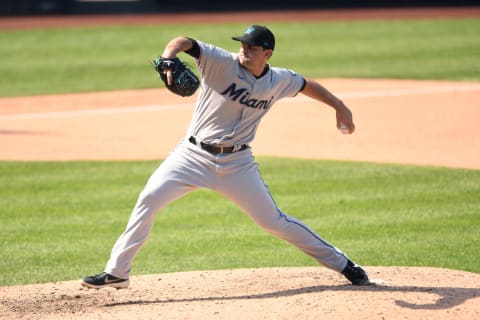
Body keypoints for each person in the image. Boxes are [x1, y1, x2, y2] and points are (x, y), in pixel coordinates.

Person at [81, 25, 370, 289]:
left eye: (251, 47)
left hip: (238, 165)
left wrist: (339, 106)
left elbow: (307, 85)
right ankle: (117, 272)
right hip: (191, 156)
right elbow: (184, 41)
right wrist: (168, 56)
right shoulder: (220, 61)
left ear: (267, 53)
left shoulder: (279, 80)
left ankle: (344, 264)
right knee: (149, 199)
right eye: (243, 44)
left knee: (274, 222)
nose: (244, 49)